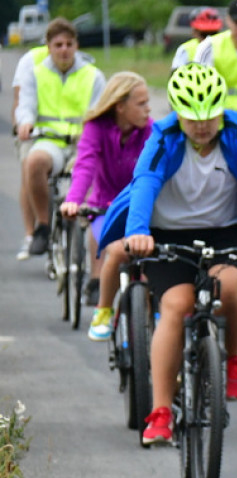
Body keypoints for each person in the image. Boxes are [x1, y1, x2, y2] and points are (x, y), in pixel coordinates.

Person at [103, 63, 237, 445]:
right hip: (166, 232)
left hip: (225, 229)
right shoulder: (163, 137)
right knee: (176, 304)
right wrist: (137, 232)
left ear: (221, 109)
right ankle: (160, 411)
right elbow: (145, 183)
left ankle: (233, 360)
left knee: (231, 286)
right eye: (192, 119)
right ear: (177, 113)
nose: (202, 126)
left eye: (210, 117)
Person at [59, 72, 153, 341]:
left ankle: (154, 318)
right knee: (117, 250)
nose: (148, 109)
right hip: (105, 208)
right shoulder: (96, 128)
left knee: (150, 261)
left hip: (142, 208)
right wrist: (74, 200)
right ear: (119, 106)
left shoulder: (151, 130)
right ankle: (103, 310)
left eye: (148, 102)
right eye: (141, 104)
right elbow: (85, 165)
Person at [14, 18, 106, 259]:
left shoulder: (93, 75)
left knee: (92, 172)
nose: (64, 49)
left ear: (76, 45)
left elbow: (100, 111)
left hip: (82, 143)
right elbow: (26, 105)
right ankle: (43, 226)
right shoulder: (36, 74)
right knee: (34, 162)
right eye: (58, 45)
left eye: (68, 44)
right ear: (49, 47)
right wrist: (25, 122)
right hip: (50, 140)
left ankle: (90, 231)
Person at [11, 42, 48, 260]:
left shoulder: (79, 65)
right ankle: (30, 233)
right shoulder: (30, 61)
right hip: (33, 130)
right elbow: (19, 100)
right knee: (29, 167)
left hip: (66, 136)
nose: (63, 49)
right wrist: (22, 125)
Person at [170, 7, 223, 71]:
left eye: (213, 34)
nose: (208, 39)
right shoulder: (185, 49)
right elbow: (175, 76)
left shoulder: (228, 47)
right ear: (194, 31)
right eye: (204, 34)